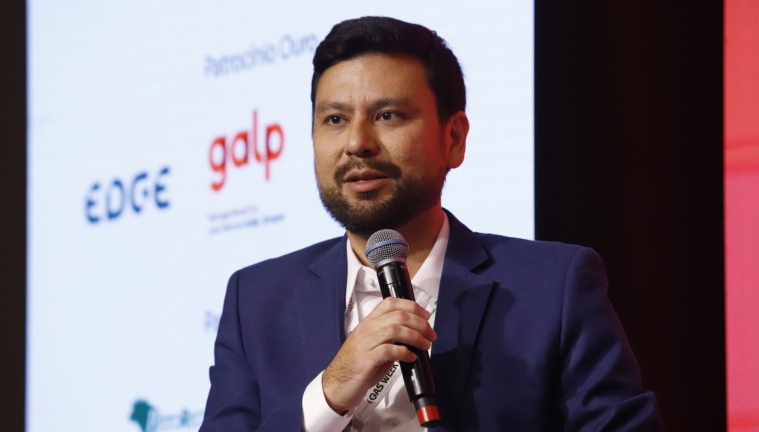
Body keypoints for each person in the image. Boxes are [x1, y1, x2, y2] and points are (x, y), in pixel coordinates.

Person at [200, 16, 662, 431]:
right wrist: (330, 393)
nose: (358, 142)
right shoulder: (256, 300)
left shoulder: (552, 286)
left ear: (454, 138)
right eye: (335, 119)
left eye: (388, 116)